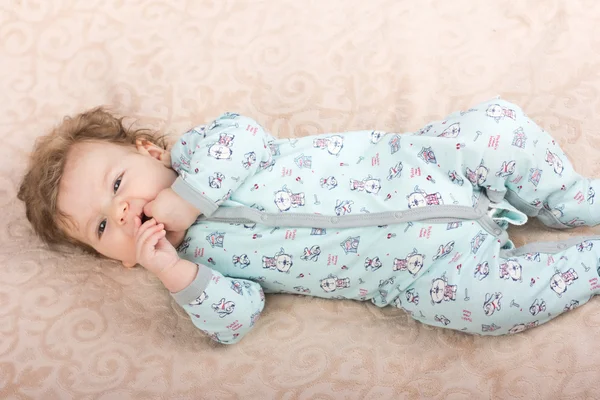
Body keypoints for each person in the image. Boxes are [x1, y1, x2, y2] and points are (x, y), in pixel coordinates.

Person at [18, 98, 600, 344]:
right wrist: (175, 275)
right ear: (117, 258)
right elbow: (235, 319)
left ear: (149, 151)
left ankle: (571, 200)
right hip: (422, 269)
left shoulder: (202, 151)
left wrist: (186, 198)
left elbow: (244, 135)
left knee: (494, 126)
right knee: (483, 307)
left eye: (117, 186)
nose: (121, 214)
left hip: (427, 166)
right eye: (102, 228)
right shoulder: (193, 267)